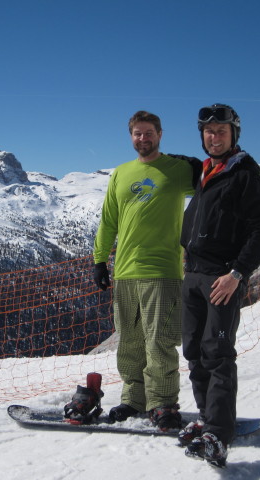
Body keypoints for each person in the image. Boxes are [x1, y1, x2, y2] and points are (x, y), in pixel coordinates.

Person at [177, 104, 260, 467]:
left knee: (217, 355)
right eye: (208, 131)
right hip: (194, 275)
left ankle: (218, 433)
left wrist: (237, 274)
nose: (213, 136)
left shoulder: (243, 173)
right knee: (193, 352)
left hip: (221, 277)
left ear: (234, 134)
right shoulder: (207, 171)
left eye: (221, 130)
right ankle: (207, 417)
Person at [93, 110, 201, 431]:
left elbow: (214, 183)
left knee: (160, 341)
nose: (143, 138)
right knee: (129, 340)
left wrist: (199, 167)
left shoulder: (177, 170)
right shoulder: (121, 173)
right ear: (131, 137)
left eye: (149, 133)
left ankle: (162, 404)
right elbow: (109, 219)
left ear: (160, 134)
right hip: (125, 270)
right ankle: (133, 400)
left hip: (163, 269)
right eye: (138, 134)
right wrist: (100, 260)